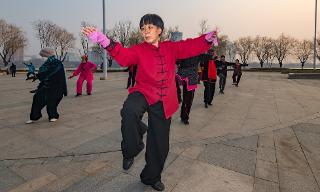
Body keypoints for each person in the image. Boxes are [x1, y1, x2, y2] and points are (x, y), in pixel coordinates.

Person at [82, 14, 218, 191]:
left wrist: (206, 39)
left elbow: (190, 46)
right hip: (144, 91)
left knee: (160, 142)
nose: (146, 32)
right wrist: (103, 40)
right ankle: (131, 149)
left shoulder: (170, 47)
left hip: (165, 97)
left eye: (150, 28)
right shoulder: (139, 49)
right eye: (143, 29)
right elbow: (124, 56)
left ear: (160, 30)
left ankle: (151, 177)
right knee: (129, 111)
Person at [26, 48, 67, 124]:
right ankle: (34, 116)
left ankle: (53, 116)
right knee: (37, 98)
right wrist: (37, 78)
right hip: (46, 85)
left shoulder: (57, 63)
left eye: (43, 55)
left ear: (47, 54)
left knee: (52, 101)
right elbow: (44, 73)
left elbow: (50, 72)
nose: (43, 57)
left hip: (56, 86)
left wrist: (37, 76)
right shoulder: (47, 63)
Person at [175, 55, 202, 124]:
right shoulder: (196, 55)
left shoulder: (187, 53)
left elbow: (177, 61)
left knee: (187, 99)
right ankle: (184, 117)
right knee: (188, 99)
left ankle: (184, 116)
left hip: (187, 77)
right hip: (189, 79)